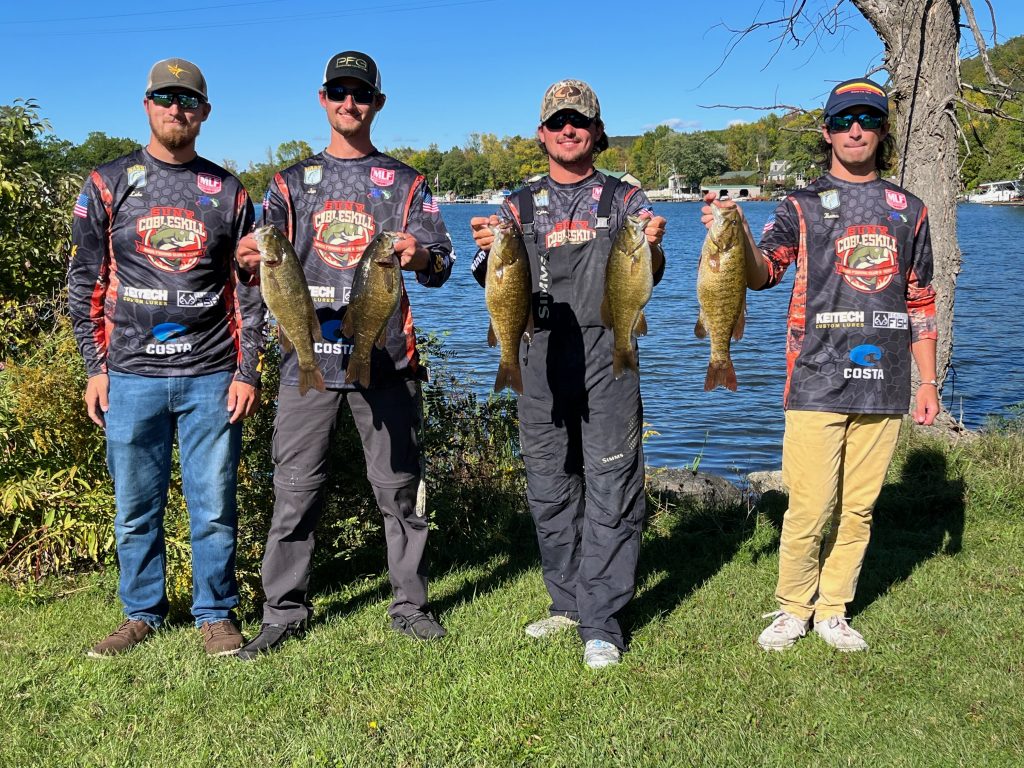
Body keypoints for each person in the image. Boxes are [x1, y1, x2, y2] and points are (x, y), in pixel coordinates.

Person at [699, 78, 940, 652]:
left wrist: (928, 381)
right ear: (827, 132)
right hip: (814, 375)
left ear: (882, 131)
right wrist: (732, 234)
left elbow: (921, 299)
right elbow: (764, 273)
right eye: (843, 120)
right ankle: (793, 607)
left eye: (867, 119)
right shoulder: (799, 205)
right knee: (809, 506)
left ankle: (833, 609)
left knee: (859, 508)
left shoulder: (910, 210)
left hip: (885, 380)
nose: (855, 130)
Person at [234, 51, 454, 658]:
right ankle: (282, 611)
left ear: (377, 103)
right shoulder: (288, 183)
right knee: (294, 490)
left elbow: (442, 264)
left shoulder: (406, 182)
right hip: (305, 359)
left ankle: (410, 605)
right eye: (339, 91)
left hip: (387, 359)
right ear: (322, 98)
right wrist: (247, 261)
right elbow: (259, 272)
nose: (349, 103)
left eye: (360, 93)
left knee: (400, 490)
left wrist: (421, 256)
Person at [69, 58, 263, 657]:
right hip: (130, 374)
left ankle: (215, 612)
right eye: (166, 98)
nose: (177, 109)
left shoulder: (229, 192)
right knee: (134, 509)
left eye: (189, 100)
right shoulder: (109, 181)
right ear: (147, 105)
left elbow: (251, 288)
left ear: (205, 112)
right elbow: (85, 280)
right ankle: (142, 612)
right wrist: (94, 366)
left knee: (213, 507)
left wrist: (247, 370)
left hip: (211, 374)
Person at [469, 80, 667, 670]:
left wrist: (653, 246)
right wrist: (486, 247)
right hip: (538, 357)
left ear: (597, 131)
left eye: (579, 120)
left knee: (612, 482)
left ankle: (601, 620)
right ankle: (567, 600)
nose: (568, 130)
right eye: (557, 121)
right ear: (542, 133)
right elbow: (491, 281)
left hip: (609, 355)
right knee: (550, 484)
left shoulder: (625, 198)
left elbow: (650, 271)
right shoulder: (518, 204)